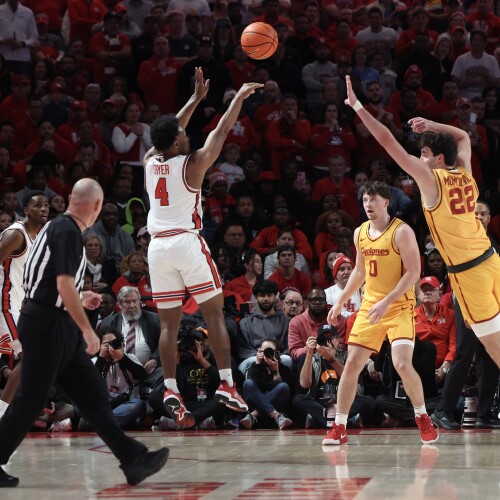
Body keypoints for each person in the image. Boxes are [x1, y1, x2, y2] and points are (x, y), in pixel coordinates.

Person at [0, 179, 168, 487]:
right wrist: (88, 331)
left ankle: (133, 459)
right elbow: (62, 284)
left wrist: (81, 297)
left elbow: (45, 281)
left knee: (92, 394)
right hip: (48, 324)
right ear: (96, 206)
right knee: (30, 399)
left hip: (52, 323)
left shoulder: (55, 228)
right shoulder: (66, 230)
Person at [343, 74, 500, 366]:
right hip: (492, 259)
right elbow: (463, 137)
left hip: (470, 273)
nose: (420, 159)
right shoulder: (465, 171)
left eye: (424, 154)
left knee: (495, 346)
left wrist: (357, 107)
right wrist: (431, 125)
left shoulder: (431, 180)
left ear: (439, 158)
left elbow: (388, 141)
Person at [143, 68, 261, 428]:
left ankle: (169, 388)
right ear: (176, 143)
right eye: (181, 134)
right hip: (186, 241)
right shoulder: (192, 165)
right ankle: (227, 384)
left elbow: (166, 132)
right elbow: (221, 131)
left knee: (168, 325)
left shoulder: (150, 162)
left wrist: (194, 99)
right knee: (215, 314)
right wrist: (237, 99)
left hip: (157, 248)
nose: (186, 133)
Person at [325, 181, 438, 446]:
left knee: (402, 364)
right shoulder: (360, 232)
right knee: (352, 364)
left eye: (373, 199)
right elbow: (360, 271)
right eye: (365, 200)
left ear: (386, 202)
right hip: (370, 306)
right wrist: (341, 301)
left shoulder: (402, 231)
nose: (368, 204)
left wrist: (387, 302)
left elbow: (414, 273)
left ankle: (422, 417)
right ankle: (339, 426)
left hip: (398, 306)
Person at [0, 190, 48, 419]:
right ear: (26, 210)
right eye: (38, 205)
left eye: (46, 205)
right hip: (4, 306)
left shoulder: (36, 239)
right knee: (28, 356)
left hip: (17, 307)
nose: (44, 209)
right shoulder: (16, 234)